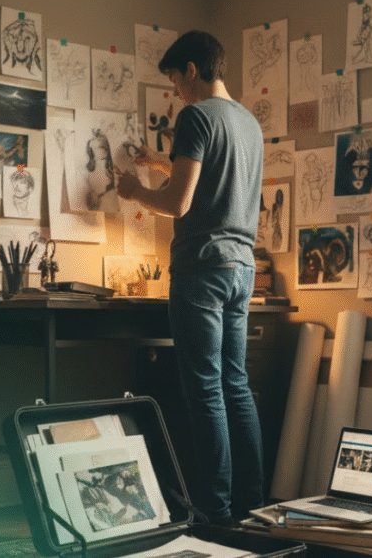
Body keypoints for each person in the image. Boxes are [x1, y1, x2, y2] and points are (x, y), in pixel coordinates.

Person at [116, 30, 264, 525]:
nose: (176, 91)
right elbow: (210, 177)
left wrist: (136, 190)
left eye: (176, 80)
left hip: (202, 266)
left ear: (193, 71)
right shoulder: (248, 123)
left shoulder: (196, 116)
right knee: (236, 385)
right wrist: (160, 161)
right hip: (242, 267)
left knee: (205, 391)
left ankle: (214, 512)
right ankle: (251, 506)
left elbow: (179, 203)